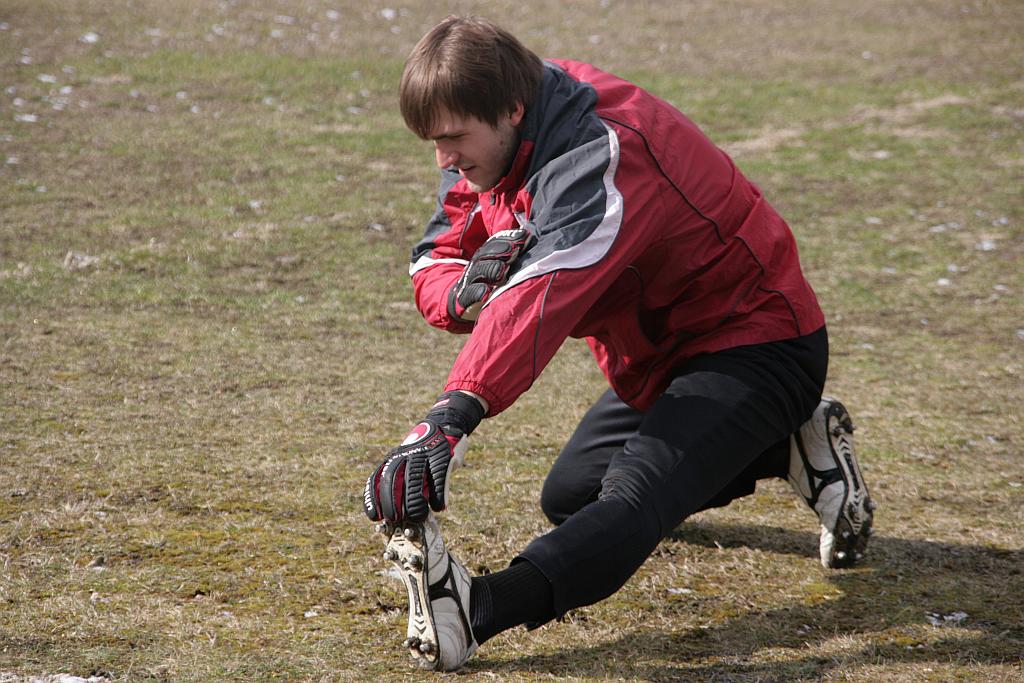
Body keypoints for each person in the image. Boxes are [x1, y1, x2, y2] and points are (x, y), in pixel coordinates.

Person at [363, 15, 876, 672]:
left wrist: (450, 417)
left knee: (633, 500)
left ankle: (478, 608)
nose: (444, 160)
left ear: (512, 109)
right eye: (433, 142)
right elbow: (435, 253)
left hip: (759, 339)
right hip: (657, 361)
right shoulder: (495, 128)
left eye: (454, 139)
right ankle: (795, 449)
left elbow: (542, 297)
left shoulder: (598, 152)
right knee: (570, 497)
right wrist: (461, 293)